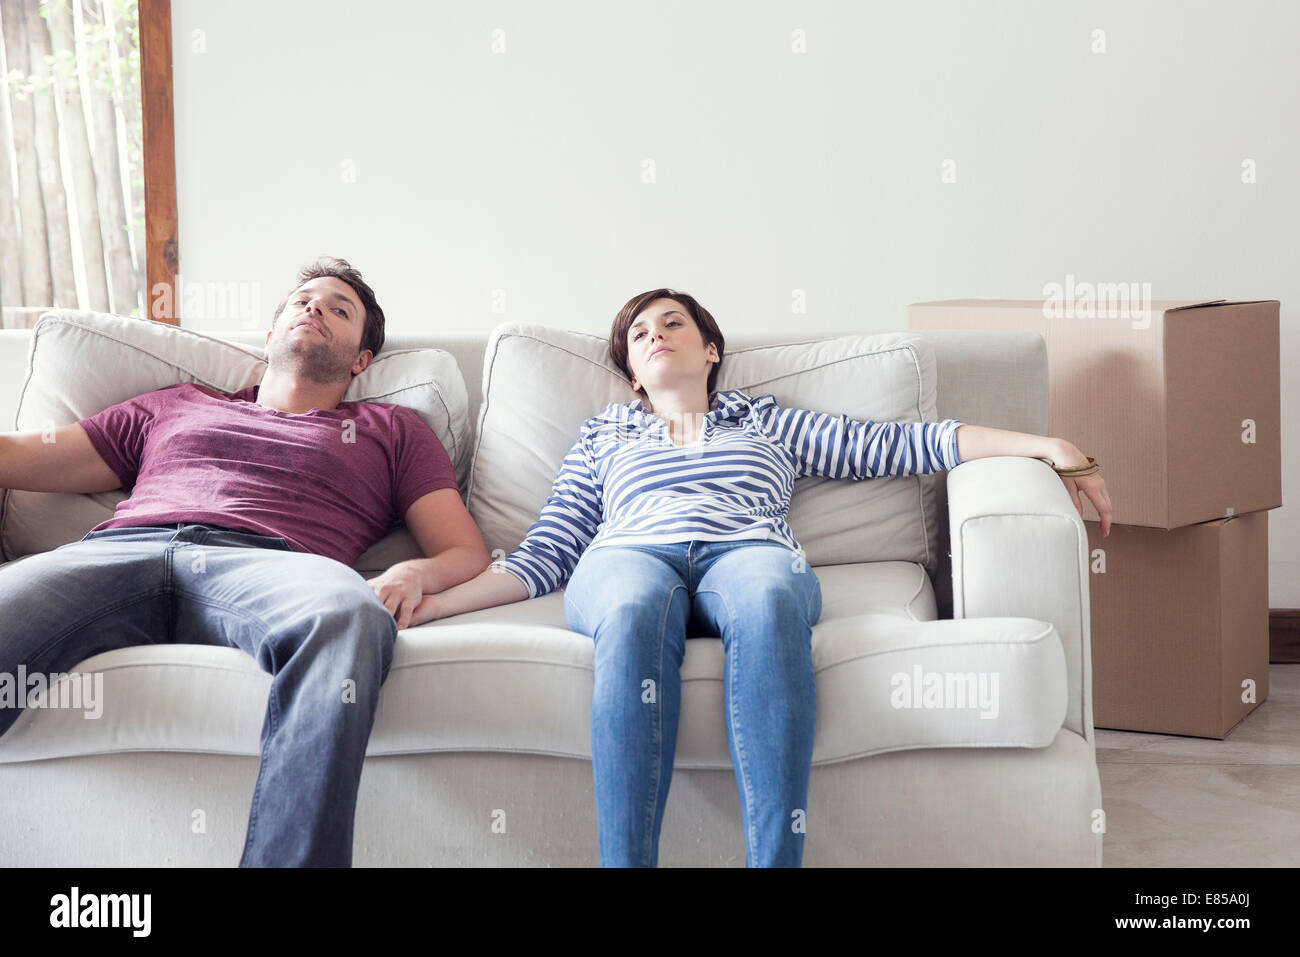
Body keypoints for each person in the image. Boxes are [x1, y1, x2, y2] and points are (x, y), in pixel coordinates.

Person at [410, 287, 1113, 868]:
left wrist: (1046, 444)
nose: (656, 336)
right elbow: (545, 554)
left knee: (772, 597)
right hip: (628, 555)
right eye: (640, 335)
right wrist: (435, 602)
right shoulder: (604, 435)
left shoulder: (765, 422)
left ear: (709, 350)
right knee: (630, 613)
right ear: (633, 375)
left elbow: (904, 443)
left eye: (672, 324)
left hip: (747, 550)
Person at [0, 257, 490, 867]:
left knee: (350, 615)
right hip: (121, 551)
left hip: (271, 567)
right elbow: (18, 457)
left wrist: (413, 572)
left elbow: (465, 551)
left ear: (361, 359)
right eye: (302, 301)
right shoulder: (176, 405)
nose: (314, 308)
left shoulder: (391, 431)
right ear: (270, 333)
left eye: (339, 310)